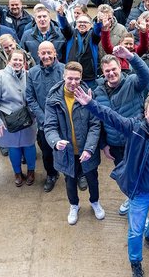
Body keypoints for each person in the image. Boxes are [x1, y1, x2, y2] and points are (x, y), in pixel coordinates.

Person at [73, 88, 149, 277]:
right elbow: (111, 117)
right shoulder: (135, 128)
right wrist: (89, 103)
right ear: (145, 113)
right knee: (134, 231)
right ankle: (136, 264)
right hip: (140, 192)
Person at [44, 62, 104, 224]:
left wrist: (90, 149)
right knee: (70, 181)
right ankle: (74, 205)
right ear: (63, 77)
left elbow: (95, 124)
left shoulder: (88, 95)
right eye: (70, 78)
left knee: (93, 179)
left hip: (86, 150)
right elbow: (49, 126)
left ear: (81, 78)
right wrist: (55, 142)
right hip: (66, 151)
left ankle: (95, 202)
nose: (73, 82)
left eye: (77, 79)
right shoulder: (53, 98)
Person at [94, 46, 149, 215]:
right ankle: (131, 198)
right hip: (115, 144)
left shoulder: (133, 82)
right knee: (125, 176)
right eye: (107, 71)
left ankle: (142, 206)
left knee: (142, 172)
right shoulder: (98, 92)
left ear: (120, 67)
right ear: (103, 73)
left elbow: (146, 75)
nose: (111, 73)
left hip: (135, 140)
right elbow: (99, 120)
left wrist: (131, 56)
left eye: (114, 69)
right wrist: (104, 144)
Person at [0, 50, 38, 187]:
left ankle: (31, 171)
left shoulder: (29, 75)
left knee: (29, 145)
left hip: (28, 118)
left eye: (20, 60)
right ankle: (17, 173)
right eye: (15, 59)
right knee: (13, 147)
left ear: (24, 63)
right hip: (9, 120)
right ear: (9, 61)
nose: (18, 62)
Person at [26, 41, 65, 192]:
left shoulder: (64, 70)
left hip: (65, 120)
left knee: (69, 148)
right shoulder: (33, 72)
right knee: (47, 152)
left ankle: (76, 173)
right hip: (44, 122)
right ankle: (51, 174)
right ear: (38, 54)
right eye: (43, 53)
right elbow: (30, 98)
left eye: (49, 52)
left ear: (55, 53)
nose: (46, 56)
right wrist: (44, 117)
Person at [57, 9, 102, 87]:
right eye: (79, 22)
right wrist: (61, 16)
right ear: (76, 24)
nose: (82, 24)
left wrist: (99, 22)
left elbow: (97, 30)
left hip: (89, 77)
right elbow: (65, 26)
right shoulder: (71, 34)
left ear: (90, 25)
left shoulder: (93, 36)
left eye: (85, 22)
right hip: (72, 76)